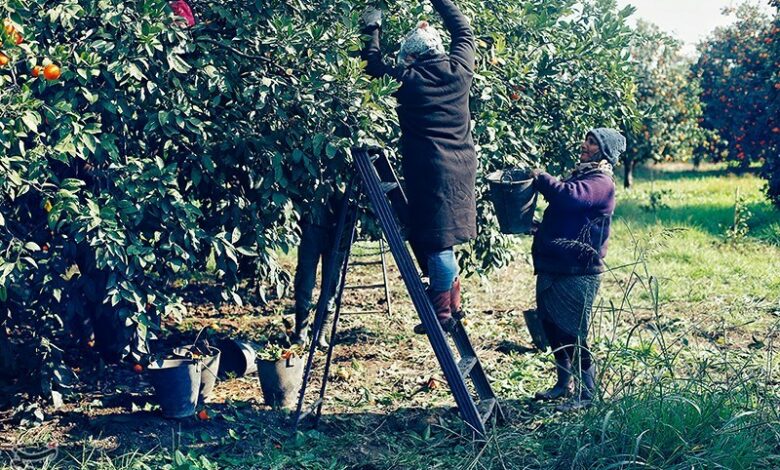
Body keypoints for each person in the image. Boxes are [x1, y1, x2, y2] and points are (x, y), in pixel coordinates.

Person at [360, 0, 476, 334]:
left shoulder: (408, 79)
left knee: (438, 242)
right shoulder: (459, 70)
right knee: (445, 238)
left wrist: (372, 24)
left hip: (431, 169)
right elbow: (463, 30)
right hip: (462, 166)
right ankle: (452, 304)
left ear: (412, 57)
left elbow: (371, 64)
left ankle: (440, 314)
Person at [530, 128, 625, 411]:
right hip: (555, 265)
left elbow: (569, 198)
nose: (585, 145)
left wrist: (540, 177)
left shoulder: (600, 181)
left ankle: (586, 393)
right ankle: (563, 384)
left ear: (604, 151)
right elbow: (570, 214)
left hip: (577, 271)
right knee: (552, 327)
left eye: (592, 142)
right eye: (586, 139)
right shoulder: (583, 175)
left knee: (573, 332)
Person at [292, 192, 345, 348]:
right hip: (311, 227)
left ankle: (319, 335)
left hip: (339, 231)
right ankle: (301, 335)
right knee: (305, 282)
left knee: (331, 284)